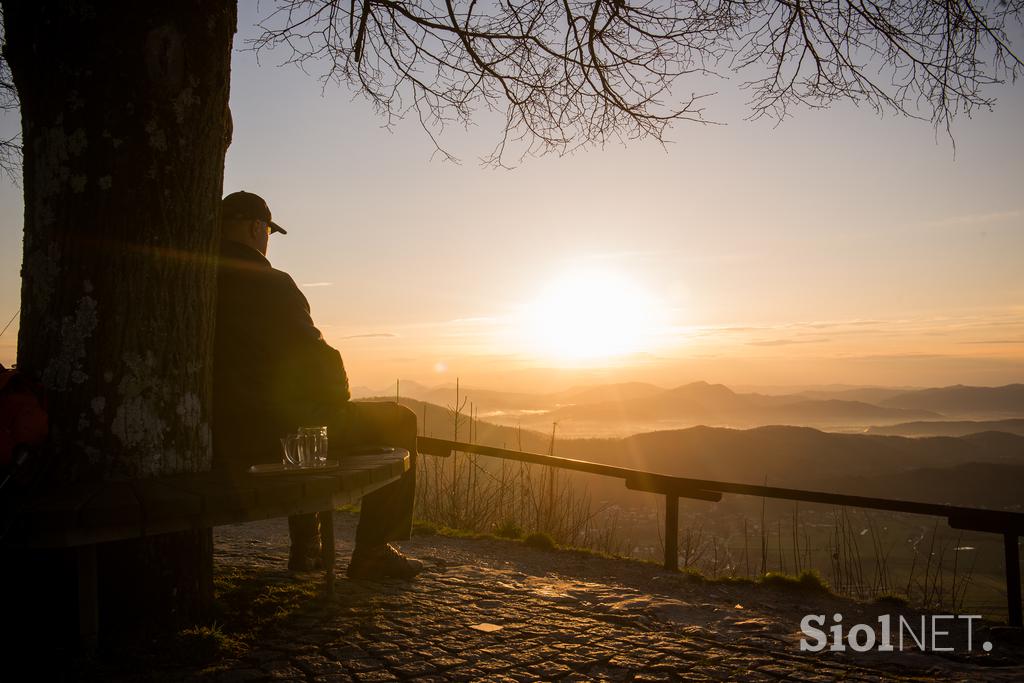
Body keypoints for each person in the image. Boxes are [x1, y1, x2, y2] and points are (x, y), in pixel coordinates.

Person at [212, 190, 422, 579]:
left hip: (222, 432)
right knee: (399, 420)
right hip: (275, 430)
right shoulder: (271, 283)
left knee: (303, 422)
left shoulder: (200, 280)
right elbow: (317, 358)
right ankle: (373, 551)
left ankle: (308, 546)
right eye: (268, 232)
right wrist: (337, 395)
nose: (267, 239)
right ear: (258, 227)